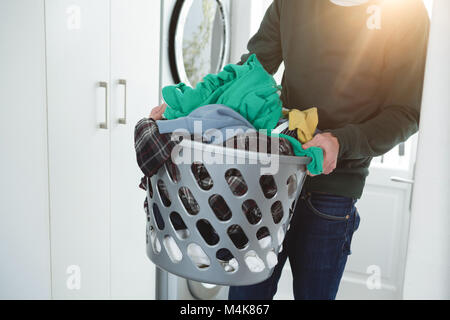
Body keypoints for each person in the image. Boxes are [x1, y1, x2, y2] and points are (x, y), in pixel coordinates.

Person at [227, 0, 430, 300]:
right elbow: (249, 73)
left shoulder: (406, 12)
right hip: (271, 181)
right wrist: (191, 108)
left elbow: (407, 112)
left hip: (333, 192)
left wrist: (341, 141)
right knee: (244, 301)